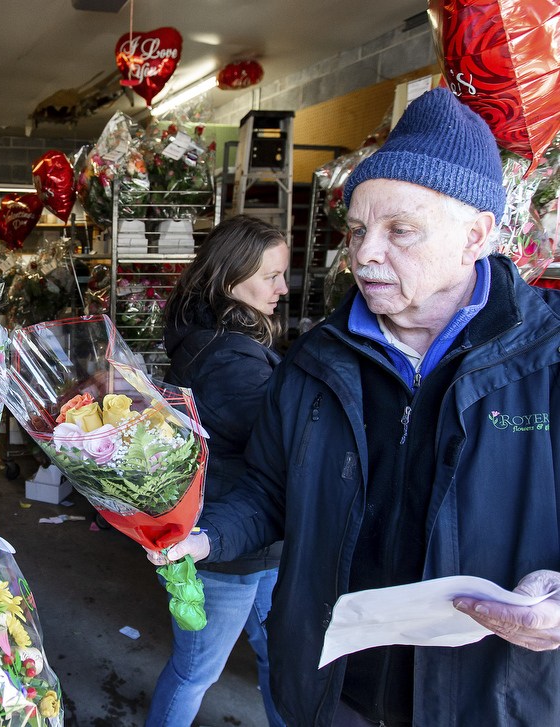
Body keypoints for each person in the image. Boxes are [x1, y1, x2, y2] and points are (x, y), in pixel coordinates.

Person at [149, 86, 560, 727]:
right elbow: (270, 489)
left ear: (476, 235)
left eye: (400, 231)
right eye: (360, 230)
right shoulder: (317, 361)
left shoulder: (547, 360)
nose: (365, 254)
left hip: (492, 701)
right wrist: (206, 537)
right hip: (333, 695)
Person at [146, 215, 288, 727]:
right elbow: (277, 449)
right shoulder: (230, 360)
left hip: (248, 535)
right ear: (230, 281)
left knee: (279, 659)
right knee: (196, 672)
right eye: (271, 276)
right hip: (227, 543)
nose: (283, 288)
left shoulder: (214, 338)